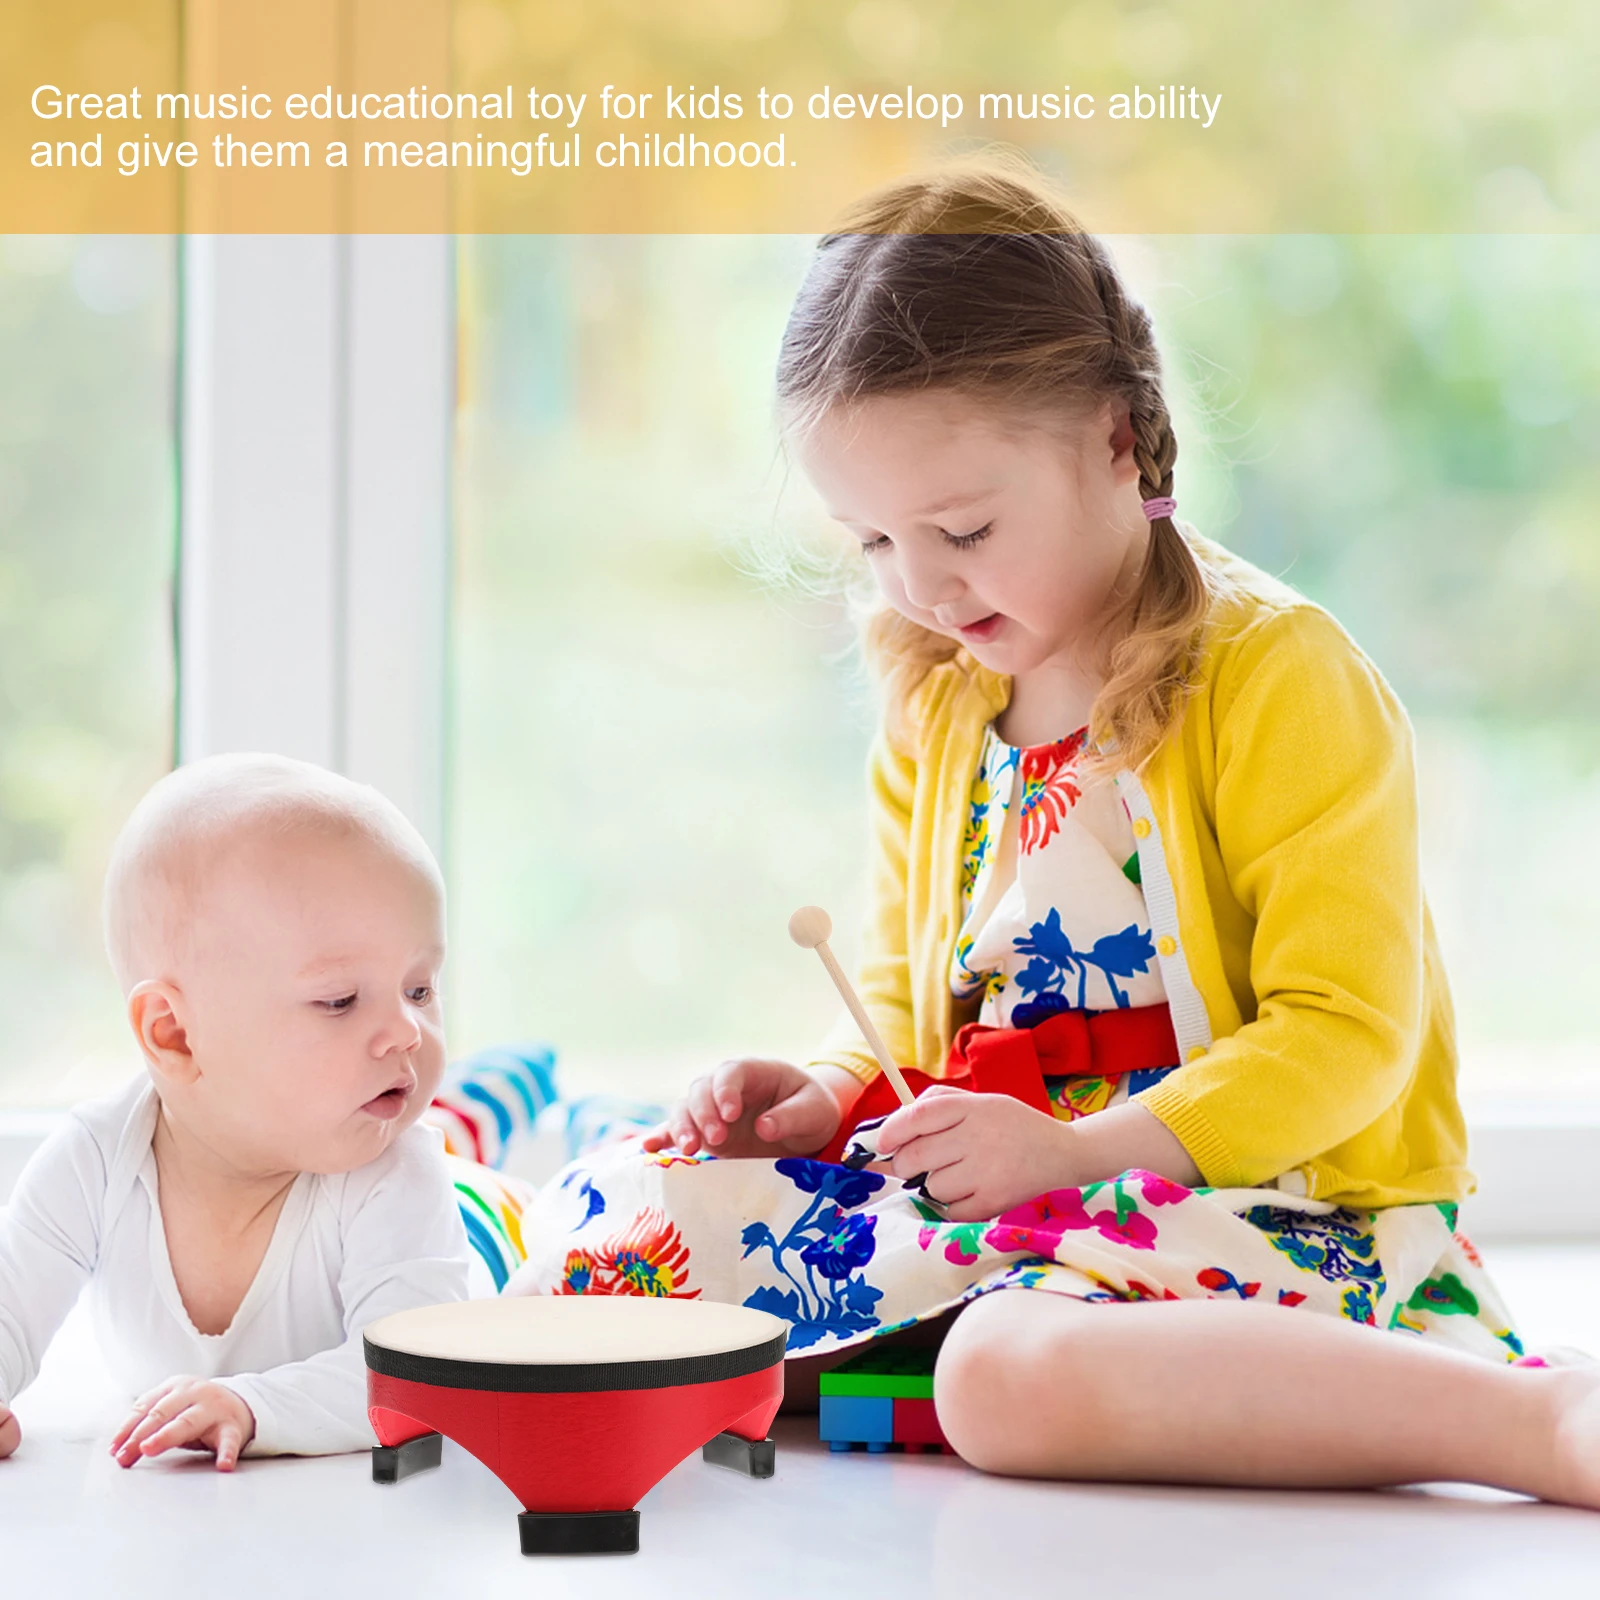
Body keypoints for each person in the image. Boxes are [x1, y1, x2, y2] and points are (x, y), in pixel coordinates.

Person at [523, 157, 1600, 1506]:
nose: (920, 586)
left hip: (1261, 1211)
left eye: (962, 527)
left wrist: (1086, 1154)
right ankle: (959, 1354)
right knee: (614, 1223)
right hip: (1020, 1217)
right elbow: (918, 1028)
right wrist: (828, 1095)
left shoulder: (1277, 675)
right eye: (871, 543)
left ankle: (1533, 1422)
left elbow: (1347, 1036)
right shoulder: (937, 698)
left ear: (1116, 437)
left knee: (1007, 1375)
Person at [0, 753, 471, 1470]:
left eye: (419, 987)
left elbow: (417, 1374)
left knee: (544, 1249)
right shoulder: (96, 1158)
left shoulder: (395, 1170)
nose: (407, 1032)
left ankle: (490, 1112)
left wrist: (255, 1407)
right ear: (175, 1034)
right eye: (340, 1000)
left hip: (474, 1259)